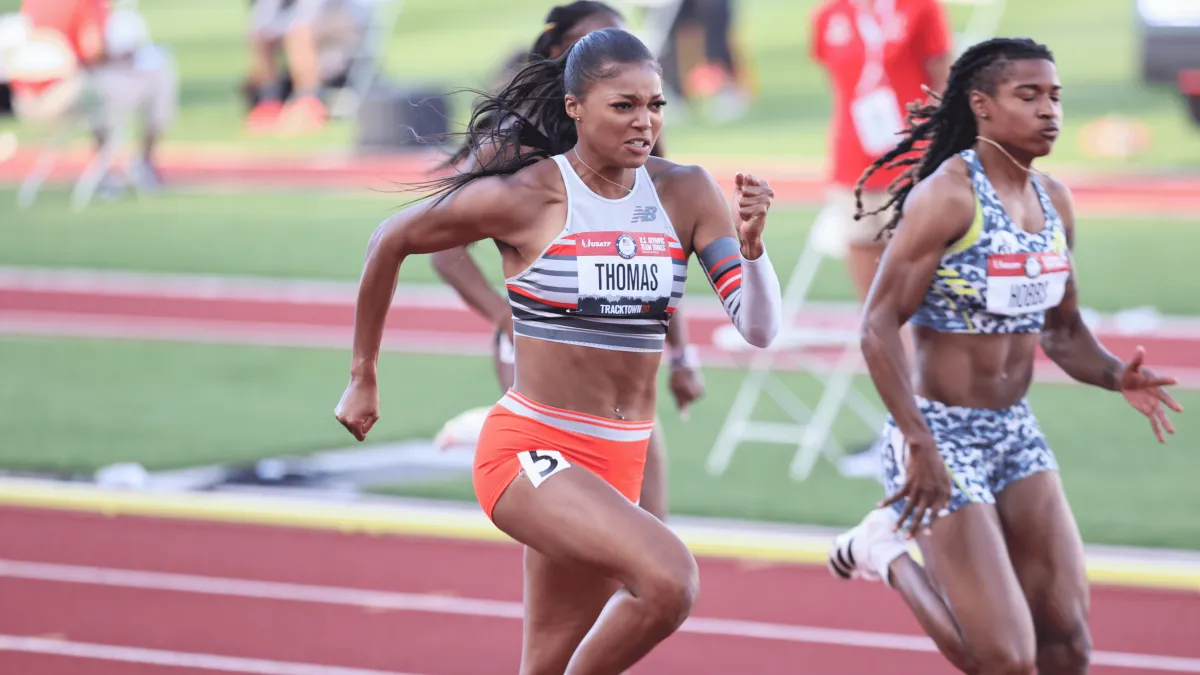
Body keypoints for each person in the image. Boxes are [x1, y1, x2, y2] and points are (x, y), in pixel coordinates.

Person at [335, 27, 783, 673]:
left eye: (655, 105)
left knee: (545, 662)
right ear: (576, 106)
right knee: (669, 580)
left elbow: (759, 327)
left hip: (617, 458)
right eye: (623, 105)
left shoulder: (685, 192)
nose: (645, 121)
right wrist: (363, 376)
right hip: (530, 451)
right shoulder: (526, 195)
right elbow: (390, 239)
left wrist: (750, 246)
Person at [827, 38, 1184, 675]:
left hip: (1014, 431)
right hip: (938, 431)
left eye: (1055, 96)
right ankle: (886, 554)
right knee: (1007, 661)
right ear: (981, 106)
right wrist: (917, 442)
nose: (1050, 110)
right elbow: (877, 326)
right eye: (1029, 96)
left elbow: (1063, 332)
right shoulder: (948, 196)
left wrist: (1112, 374)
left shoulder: (1055, 202)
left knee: (1068, 645)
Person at [430, 0, 706, 523]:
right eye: (599, 46)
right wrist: (506, 321)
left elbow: (664, 251)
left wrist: (682, 355)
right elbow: (443, 251)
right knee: (591, 542)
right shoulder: (512, 143)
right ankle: (503, 432)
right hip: (544, 357)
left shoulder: (641, 135)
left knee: (648, 528)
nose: (619, 60)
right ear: (563, 57)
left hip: (625, 352)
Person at [809, 0, 952, 304]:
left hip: (913, 158)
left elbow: (942, 81)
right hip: (853, 159)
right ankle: (879, 348)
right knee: (870, 289)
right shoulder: (829, 14)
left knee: (917, 276)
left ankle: (918, 349)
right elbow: (838, 83)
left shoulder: (920, 7)